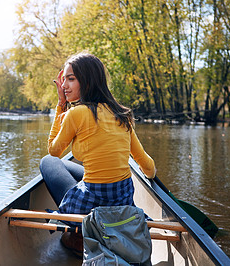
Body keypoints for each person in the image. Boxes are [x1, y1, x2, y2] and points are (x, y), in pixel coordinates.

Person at [39, 53, 156, 256]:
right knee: (80, 171)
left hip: (91, 205)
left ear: (87, 81)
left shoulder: (75, 113)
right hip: (122, 204)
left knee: (47, 162)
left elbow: (53, 150)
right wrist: (151, 177)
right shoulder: (122, 115)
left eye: (71, 79)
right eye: (63, 79)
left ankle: (80, 236)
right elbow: (146, 164)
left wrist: (61, 104)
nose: (64, 85)